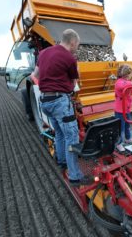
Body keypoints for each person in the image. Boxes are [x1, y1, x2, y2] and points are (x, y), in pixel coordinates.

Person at [33, 29, 90, 186]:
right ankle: (75, 175)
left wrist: (49, 83)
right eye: (77, 45)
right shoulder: (69, 58)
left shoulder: (43, 53)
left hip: (44, 100)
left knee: (58, 132)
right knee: (71, 137)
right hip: (60, 102)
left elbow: (35, 75)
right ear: (72, 42)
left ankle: (62, 161)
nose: (76, 48)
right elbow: (73, 85)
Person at [114, 64, 132, 152]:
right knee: (120, 128)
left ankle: (128, 138)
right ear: (127, 74)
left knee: (127, 126)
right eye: (131, 74)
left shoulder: (127, 82)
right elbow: (122, 86)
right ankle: (119, 144)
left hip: (126, 110)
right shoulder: (119, 82)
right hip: (120, 111)